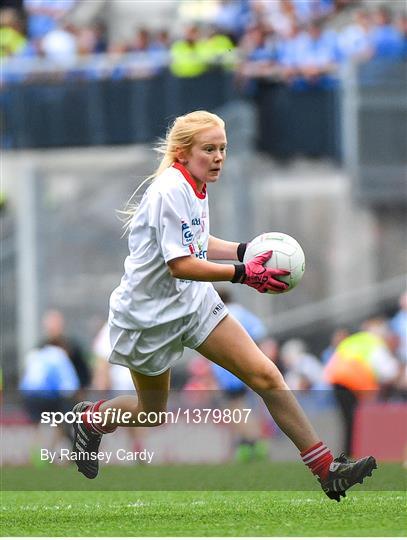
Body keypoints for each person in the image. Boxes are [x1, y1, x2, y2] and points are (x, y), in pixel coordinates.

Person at [71, 110, 376, 501]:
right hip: (149, 316)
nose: (218, 157)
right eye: (209, 150)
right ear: (183, 153)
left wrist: (245, 251)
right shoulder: (170, 189)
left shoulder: (195, 183)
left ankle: (326, 469)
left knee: (266, 376)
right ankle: (91, 420)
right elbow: (180, 263)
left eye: (223, 149)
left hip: (193, 304)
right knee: (151, 413)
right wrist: (242, 273)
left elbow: (196, 240)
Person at [324, 318, 399, 456]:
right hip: (352, 382)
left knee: (348, 420)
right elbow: (388, 372)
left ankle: (348, 453)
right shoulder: (375, 342)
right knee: (354, 421)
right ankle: (351, 454)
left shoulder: (355, 339)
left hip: (335, 378)